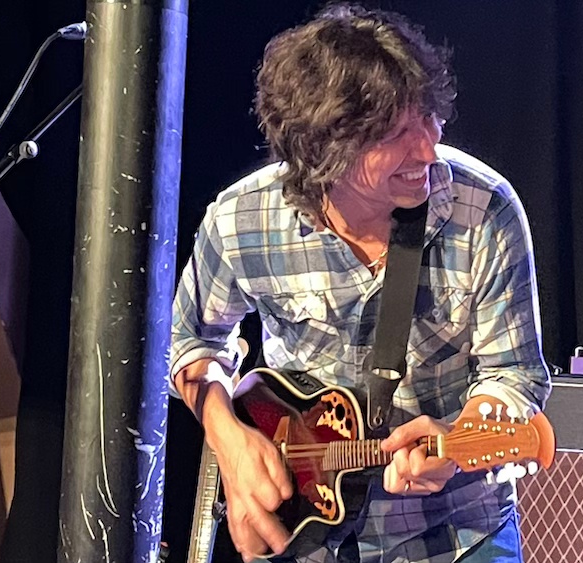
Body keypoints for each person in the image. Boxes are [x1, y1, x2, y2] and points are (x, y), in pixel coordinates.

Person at [169, 4, 551, 563]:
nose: (427, 149)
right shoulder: (239, 220)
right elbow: (191, 343)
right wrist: (228, 437)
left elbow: (513, 375)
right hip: (302, 534)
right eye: (396, 134)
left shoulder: (484, 209)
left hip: (456, 534)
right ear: (325, 151)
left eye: (428, 118)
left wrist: (457, 441)